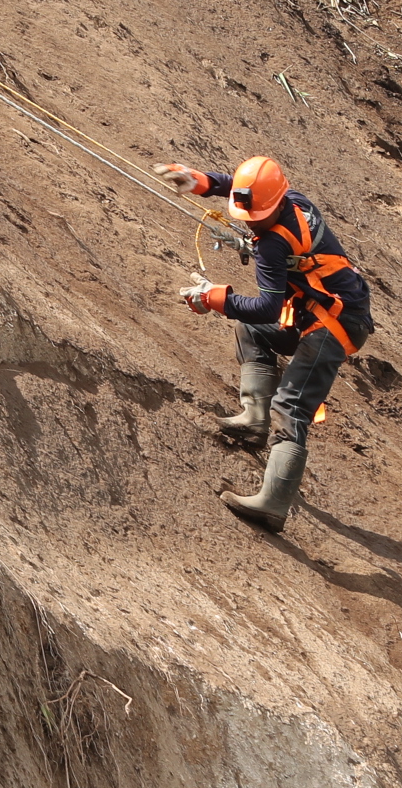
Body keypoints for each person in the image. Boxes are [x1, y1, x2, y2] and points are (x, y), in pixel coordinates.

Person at [154, 154, 373, 534]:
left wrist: (215, 299)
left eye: (256, 215)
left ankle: (273, 505)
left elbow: (266, 307)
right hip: (320, 314)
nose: (251, 220)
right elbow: (243, 190)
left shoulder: (273, 244)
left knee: (291, 406)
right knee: (252, 333)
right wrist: (201, 181)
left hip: (333, 325)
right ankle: (254, 419)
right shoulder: (296, 202)